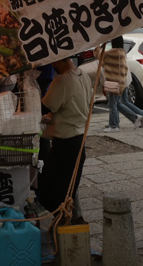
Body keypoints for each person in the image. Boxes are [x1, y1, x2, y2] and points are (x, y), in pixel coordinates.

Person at [39, 57, 93, 216]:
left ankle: (65, 228)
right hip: (78, 140)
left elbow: (45, 106)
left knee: (57, 191)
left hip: (66, 143)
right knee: (67, 190)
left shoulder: (62, 81)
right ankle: (66, 223)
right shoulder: (83, 74)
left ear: (57, 61)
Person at [99, 37, 143, 131]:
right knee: (119, 102)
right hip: (122, 81)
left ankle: (116, 124)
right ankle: (135, 117)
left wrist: (98, 46)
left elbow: (99, 56)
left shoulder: (113, 53)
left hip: (115, 82)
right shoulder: (122, 53)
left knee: (115, 104)